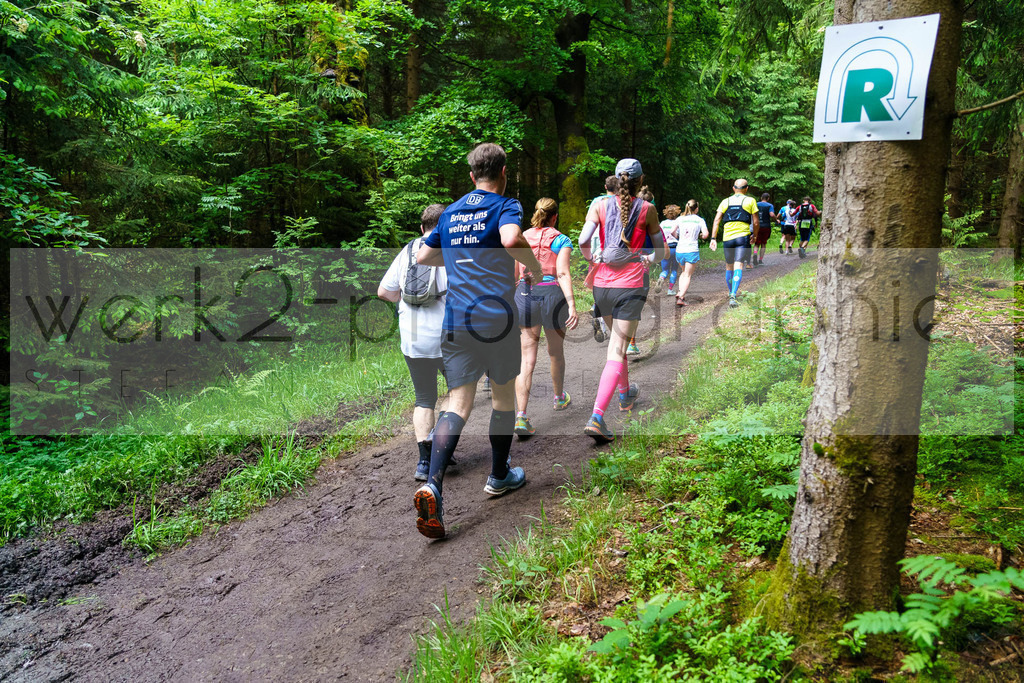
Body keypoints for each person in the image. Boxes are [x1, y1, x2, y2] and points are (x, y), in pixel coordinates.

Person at [412, 142, 544, 539]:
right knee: (502, 398)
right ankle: (499, 475)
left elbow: (423, 256)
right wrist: (532, 266)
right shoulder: (506, 205)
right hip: (496, 319)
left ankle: (432, 483)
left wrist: (455, 260)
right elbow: (509, 239)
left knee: (458, 403)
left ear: (471, 175)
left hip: (456, 321)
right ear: (504, 172)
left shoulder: (450, 212)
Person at [578, 158, 666, 443]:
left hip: (602, 285)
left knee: (620, 344)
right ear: (641, 181)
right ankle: (597, 417)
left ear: (615, 179)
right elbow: (662, 251)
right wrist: (647, 259)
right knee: (618, 348)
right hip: (631, 285)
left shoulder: (599, 204)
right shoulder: (648, 209)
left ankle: (625, 394)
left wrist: (595, 259)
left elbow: (583, 241)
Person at [377, 204, 450, 481]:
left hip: (413, 339)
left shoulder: (408, 251)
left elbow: (384, 291)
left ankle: (423, 462)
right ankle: (444, 447)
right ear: (444, 226)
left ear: (422, 228)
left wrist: (404, 301)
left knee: (424, 399)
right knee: (457, 395)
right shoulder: (449, 250)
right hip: (446, 339)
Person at [512, 198, 579, 437]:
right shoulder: (561, 240)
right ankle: (559, 397)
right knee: (555, 352)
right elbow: (561, 272)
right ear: (555, 217)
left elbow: (516, 273)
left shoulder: (520, 237)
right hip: (552, 295)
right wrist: (571, 303)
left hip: (525, 293)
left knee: (526, 359)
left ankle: (521, 416)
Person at [710, 178, 760, 308]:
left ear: (733, 188)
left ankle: (731, 292)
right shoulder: (750, 201)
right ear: (746, 189)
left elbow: (716, 220)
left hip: (727, 238)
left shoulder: (725, 201)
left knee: (729, 266)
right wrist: (754, 236)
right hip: (742, 237)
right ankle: (733, 294)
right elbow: (755, 222)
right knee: (739, 266)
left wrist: (713, 238)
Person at [586, 176, 618, 344]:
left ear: (605, 186)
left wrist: (590, 254)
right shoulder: (623, 202)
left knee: (600, 283)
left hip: (597, 246)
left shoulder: (597, 201)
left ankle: (598, 310)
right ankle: (613, 329)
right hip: (615, 248)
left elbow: (589, 225)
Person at [672, 199, 708, 306]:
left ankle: (679, 292)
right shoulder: (699, 220)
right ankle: (681, 297)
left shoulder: (679, 219)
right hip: (691, 250)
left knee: (683, 272)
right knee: (687, 275)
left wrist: (677, 237)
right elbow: (705, 234)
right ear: (696, 209)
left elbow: (672, 231)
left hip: (680, 250)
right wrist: (701, 236)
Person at [655, 205, 681, 296]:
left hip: (665, 248)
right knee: (674, 269)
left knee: (665, 270)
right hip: (675, 248)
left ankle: (661, 277)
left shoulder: (662, 223)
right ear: (676, 213)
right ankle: (670, 289)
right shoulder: (678, 223)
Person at [753, 193, 776, 267]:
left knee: (756, 243)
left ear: (761, 197)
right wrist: (776, 219)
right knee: (763, 243)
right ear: (768, 198)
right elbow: (772, 214)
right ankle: (760, 260)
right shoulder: (770, 205)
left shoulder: (756, 204)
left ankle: (755, 254)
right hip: (766, 226)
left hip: (756, 226)